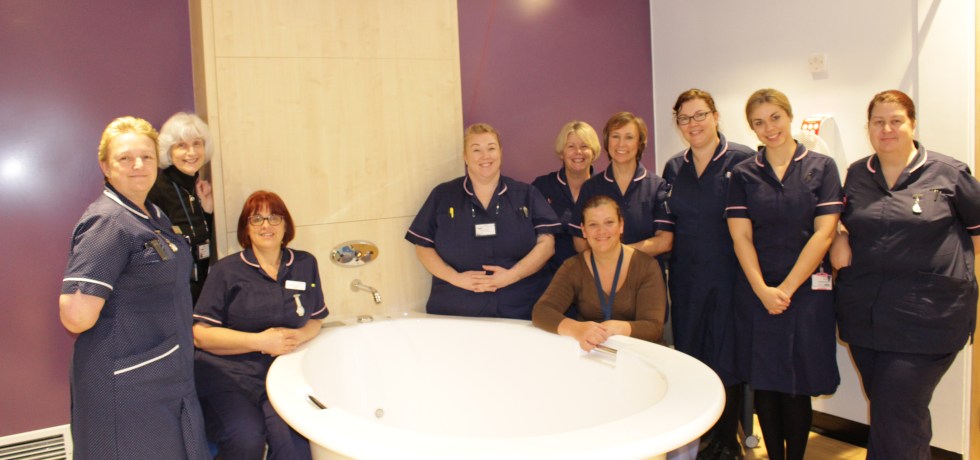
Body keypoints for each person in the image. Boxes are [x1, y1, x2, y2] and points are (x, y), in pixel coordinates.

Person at [830, 90, 980, 459]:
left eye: (896, 121)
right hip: (865, 314)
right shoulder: (857, 174)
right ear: (868, 127)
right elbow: (845, 222)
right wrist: (840, 237)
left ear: (912, 124)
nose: (887, 129)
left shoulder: (948, 173)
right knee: (895, 413)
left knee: (896, 411)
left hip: (929, 316)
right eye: (878, 122)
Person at [59, 116, 209, 459]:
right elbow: (75, 317)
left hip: (163, 370)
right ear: (105, 166)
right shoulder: (108, 223)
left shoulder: (151, 214)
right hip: (127, 382)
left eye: (146, 156)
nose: (138, 165)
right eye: (125, 158)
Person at [725, 89, 841, 460]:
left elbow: (824, 234)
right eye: (759, 122)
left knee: (797, 383)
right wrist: (762, 289)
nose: (769, 128)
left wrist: (786, 289)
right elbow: (741, 237)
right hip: (757, 290)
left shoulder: (821, 167)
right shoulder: (743, 174)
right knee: (766, 382)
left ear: (789, 116)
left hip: (806, 293)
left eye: (775, 117)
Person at [192, 190, 327, 460]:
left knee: (295, 449)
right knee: (245, 439)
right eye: (257, 219)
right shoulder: (226, 271)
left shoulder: (304, 263)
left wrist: (298, 335)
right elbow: (200, 335)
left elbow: (316, 318)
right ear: (246, 228)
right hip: (228, 376)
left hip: (281, 375)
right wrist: (260, 342)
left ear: (286, 225)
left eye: (274, 218)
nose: (266, 225)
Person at [661, 89, 754, 460]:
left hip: (730, 279)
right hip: (686, 281)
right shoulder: (674, 167)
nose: (693, 124)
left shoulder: (743, 160)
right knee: (692, 358)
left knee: (727, 358)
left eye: (700, 115)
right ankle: (698, 439)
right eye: (685, 118)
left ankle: (726, 442)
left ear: (715, 116)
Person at [406, 123, 560, 319]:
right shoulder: (443, 195)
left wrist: (512, 275)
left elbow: (547, 244)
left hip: (520, 306)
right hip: (457, 308)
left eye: (491, 148)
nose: (485, 156)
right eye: (476, 150)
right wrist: (456, 278)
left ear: (500, 152)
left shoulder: (526, 194)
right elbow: (422, 246)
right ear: (465, 156)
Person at [532, 195, 666, 349]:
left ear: (621, 225)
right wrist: (577, 329)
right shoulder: (573, 267)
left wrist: (613, 328)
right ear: (584, 230)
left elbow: (654, 328)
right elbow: (541, 312)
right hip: (592, 351)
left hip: (638, 353)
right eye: (593, 224)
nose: (601, 231)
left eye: (609, 222)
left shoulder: (646, 266)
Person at [570, 112, 672, 258]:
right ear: (607, 141)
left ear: (640, 143)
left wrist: (619, 255)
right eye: (615, 136)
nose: (621, 144)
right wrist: (605, 261)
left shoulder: (656, 186)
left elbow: (664, 241)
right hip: (601, 270)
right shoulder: (591, 187)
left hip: (645, 271)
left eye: (629, 137)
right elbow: (579, 240)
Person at [148, 112, 216, 303]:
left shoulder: (198, 188)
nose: (191, 152)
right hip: (170, 296)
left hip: (200, 292)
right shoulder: (156, 189)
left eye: (197, 143)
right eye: (182, 146)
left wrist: (207, 212)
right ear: (168, 150)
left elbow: (199, 240)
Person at [531, 121, 600, 275]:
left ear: (593, 152)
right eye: (571, 146)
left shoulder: (605, 188)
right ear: (562, 152)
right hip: (550, 277)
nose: (578, 152)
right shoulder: (542, 187)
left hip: (596, 275)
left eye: (584, 146)